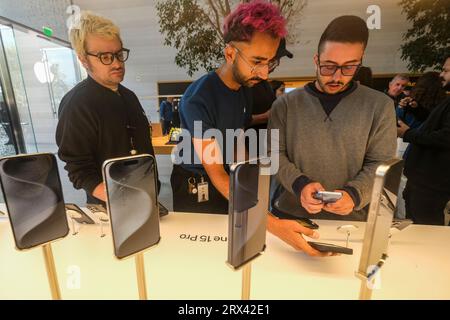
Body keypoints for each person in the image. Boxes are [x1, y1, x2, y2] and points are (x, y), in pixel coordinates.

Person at [267, 15, 397, 254]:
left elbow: (380, 163)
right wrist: (300, 184)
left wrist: (355, 194)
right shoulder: (285, 105)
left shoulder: (380, 105)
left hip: (353, 223)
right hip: (290, 216)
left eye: (349, 67)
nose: (337, 76)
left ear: (360, 61)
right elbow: (274, 155)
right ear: (316, 60)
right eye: (328, 66)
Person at [170, 1, 286, 214]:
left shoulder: (245, 89)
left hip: (226, 176)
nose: (264, 74)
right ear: (230, 54)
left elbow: (238, 138)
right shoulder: (198, 99)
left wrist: (250, 182)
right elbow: (215, 173)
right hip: (196, 183)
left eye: (269, 63)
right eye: (257, 62)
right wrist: (263, 217)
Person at [56, 12, 158, 205]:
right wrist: (119, 199)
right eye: (105, 57)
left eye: (119, 54)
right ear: (83, 60)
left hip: (147, 201)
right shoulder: (76, 104)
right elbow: (79, 169)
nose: (117, 63)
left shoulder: (129, 96)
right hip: (108, 211)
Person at [397, 56, 450, 225]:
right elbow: (434, 125)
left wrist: (407, 133)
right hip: (423, 179)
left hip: (432, 182)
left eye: (446, 70)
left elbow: (445, 137)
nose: (441, 75)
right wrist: (417, 110)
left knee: (426, 229)